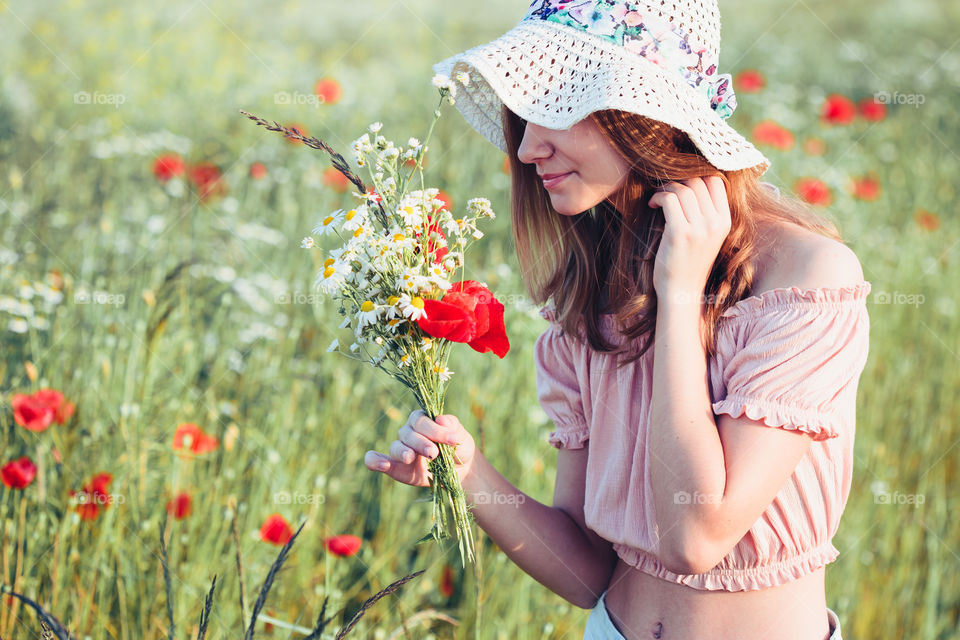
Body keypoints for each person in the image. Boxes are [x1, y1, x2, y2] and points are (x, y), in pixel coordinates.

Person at [364, 1, 871, 638]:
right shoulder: (596, 294)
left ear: (645, 118)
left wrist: (681, 297)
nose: (526, 147)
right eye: (524, 115)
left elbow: (696, 536)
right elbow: (586, 576)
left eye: (556, 110)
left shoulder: (807, 278)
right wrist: (471, 473)